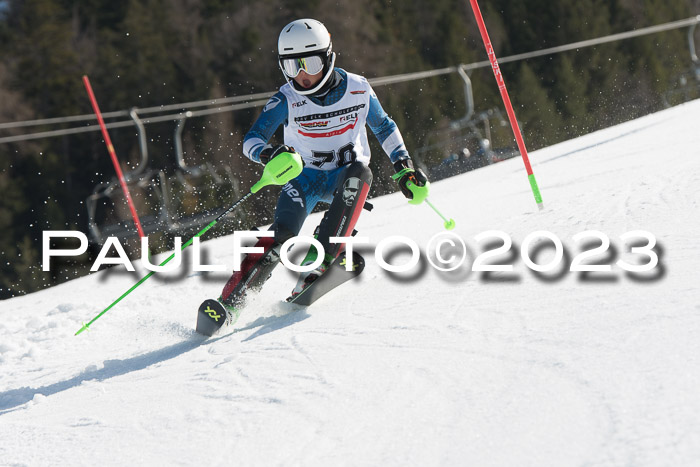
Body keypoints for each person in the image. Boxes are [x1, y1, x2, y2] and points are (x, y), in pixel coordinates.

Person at [217, 18, 429, 324]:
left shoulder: (358, 88)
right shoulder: (286, 99)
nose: (302, 75)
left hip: (345, 178)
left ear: (328, 58)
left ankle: (324, 257)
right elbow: (251, 140)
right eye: (292, 67)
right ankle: (229, 303)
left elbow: (384, 126)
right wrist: (268, 154)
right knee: (281, 235)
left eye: (311, 63)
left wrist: (404, 166)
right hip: (304, 180)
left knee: (360, 174)